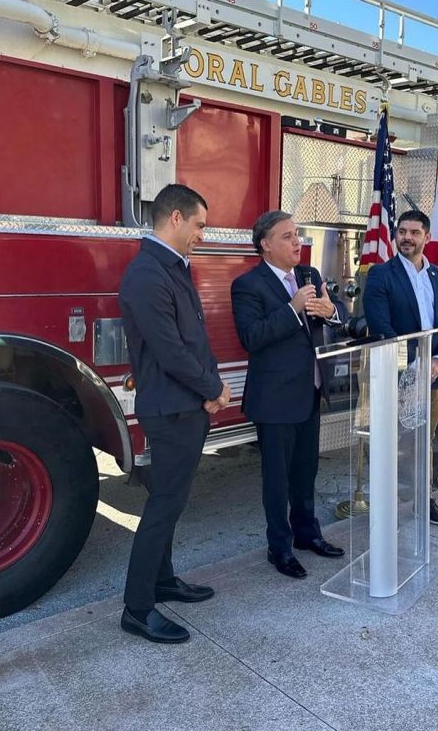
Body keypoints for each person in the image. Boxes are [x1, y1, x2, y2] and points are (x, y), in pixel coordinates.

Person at [119, 184, 230, 644]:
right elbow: (170, 351)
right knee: (164, 506)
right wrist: (213, 389)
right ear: (177, 218)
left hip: (186, 404)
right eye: (200, 225)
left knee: (173, 500)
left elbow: (194, 339)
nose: (204, 234)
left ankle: (162, 580)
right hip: (171, 408)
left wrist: (209, 387)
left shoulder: (172, 267)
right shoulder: (148, 274)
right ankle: (138, 608)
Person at [231, 211, 345, 579]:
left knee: (306, 471)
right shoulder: (248, 285)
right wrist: (293, 308)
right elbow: (252, 337)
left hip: (310, 392)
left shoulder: (309, 275)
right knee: (277, 480)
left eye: (297, 234)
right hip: (275, 399)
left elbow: (336, 313)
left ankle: (307, 534)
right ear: (265, 244)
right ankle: (279, 548)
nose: (297, 242)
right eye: (287, 236)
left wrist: (332, 311)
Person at [362, 209, 438, 526]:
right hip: (396, 376)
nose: (407, 237)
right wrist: (412, 365)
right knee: (391, 442)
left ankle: (423, 501)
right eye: (402, 231)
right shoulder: (381, 275)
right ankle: (386, 506)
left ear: (426, 237)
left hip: (432, 377)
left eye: (414, 232)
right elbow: (381, 327)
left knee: (423, 443)